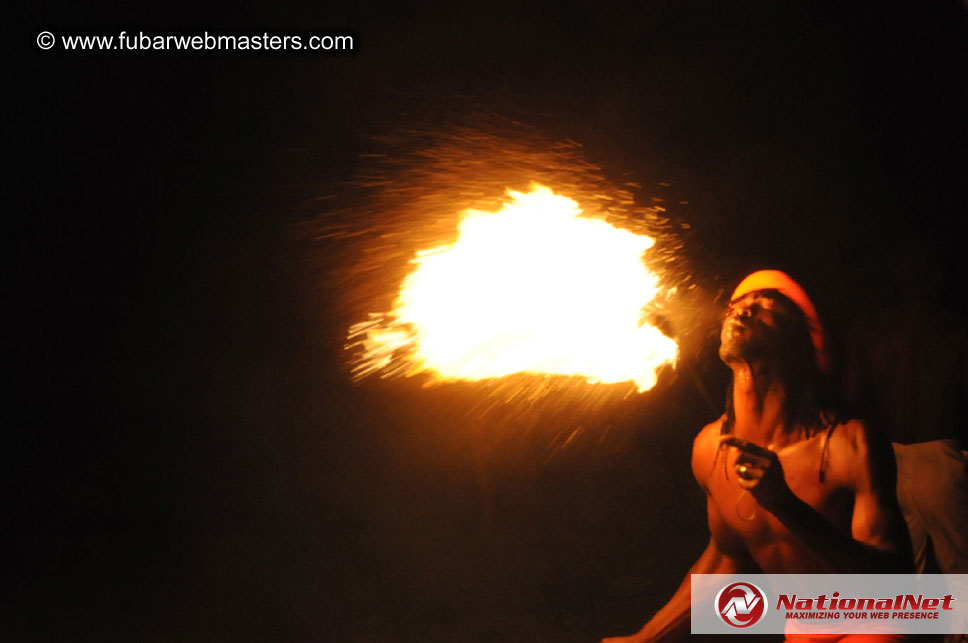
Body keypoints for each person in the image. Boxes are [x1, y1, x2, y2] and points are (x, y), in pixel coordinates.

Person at [603, 270, 913, 643]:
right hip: (801, 629)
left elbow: (890, 584)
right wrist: (644, 638)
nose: (741, 311)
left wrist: (784, 503)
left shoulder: (849, 445)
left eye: (763, 306)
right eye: (736, 306)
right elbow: (726, 558)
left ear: (798, 340)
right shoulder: (710, 449)